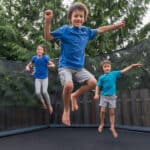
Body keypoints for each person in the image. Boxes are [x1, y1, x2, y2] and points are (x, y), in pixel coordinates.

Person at [44, 2, 125, 126]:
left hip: (79, 68)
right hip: (65, 67)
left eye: (81, 16)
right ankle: (66, 110)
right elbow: (48, 37)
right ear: (70, 17)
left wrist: (116, 26)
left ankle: (74, 96)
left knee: (93, 82)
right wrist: (48, 21)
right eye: (76, 16)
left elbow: (101, 29)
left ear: (84, 18)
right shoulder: (65, 30)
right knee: (68, 85)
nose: (78, 18)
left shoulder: (86, 31)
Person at [94, 60, 142, 138]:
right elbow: (98, 86)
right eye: (105, 67)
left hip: (112, 97)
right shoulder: (101, 77)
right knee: (102, 110)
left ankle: (112, 126)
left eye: (108, 66)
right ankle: (102, 123)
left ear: (110, 67)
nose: (107, 68)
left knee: (112, 112)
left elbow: (123, 70)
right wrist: (96, 94)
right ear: (102, 68)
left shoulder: (114, 74)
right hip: (104, 96)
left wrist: (132, 66)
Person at [26, 44, 55, 115]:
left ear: (43, 51)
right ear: (36, 51)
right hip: (37, 78)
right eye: (38, 49)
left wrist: (49, 65)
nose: (39, 50)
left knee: (44, 92)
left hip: (45, 78)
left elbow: (53, 65)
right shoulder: (34, 58)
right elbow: (28, 65)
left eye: (40, 49)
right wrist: (27, 67)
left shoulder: (45, 57)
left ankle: (49, 105)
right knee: (37, 93)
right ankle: (43, 103)